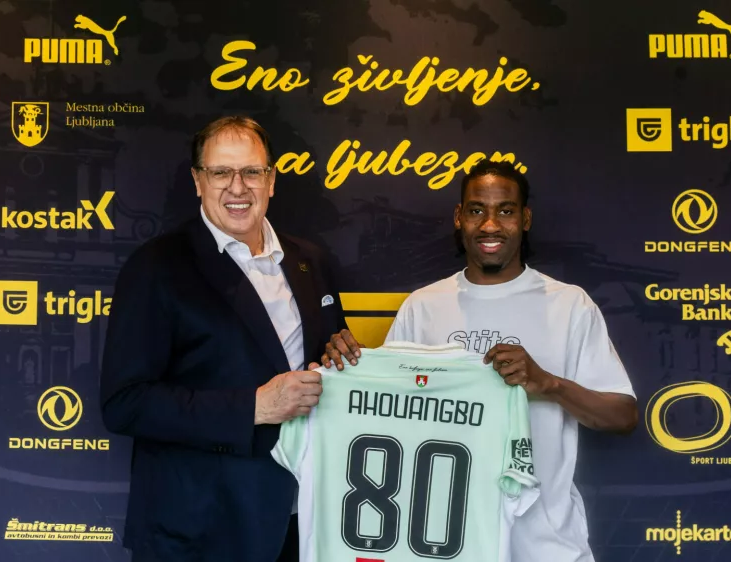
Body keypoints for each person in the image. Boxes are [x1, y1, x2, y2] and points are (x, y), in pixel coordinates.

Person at [321, 159, 638, 562]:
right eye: (476, 210)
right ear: (459, 218)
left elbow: (623, 416)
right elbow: (386, 424)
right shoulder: (423, 307)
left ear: (525, 219)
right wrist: (349, 370)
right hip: (445, 546)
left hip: (546, 547)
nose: (490, 225)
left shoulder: (569, 305)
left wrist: (547, 383)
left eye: (505, 210)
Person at [101, 116, 347, 562]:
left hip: (299, 524)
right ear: (198, 180)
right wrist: (254, 407)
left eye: (252, 172)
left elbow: (322, 360)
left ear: (271, 180)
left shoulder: (311, 261)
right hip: (198, 532)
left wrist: (339, 357)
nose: (238, 187)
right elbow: (125, 403)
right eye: (220, 172)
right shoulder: (156, 267)